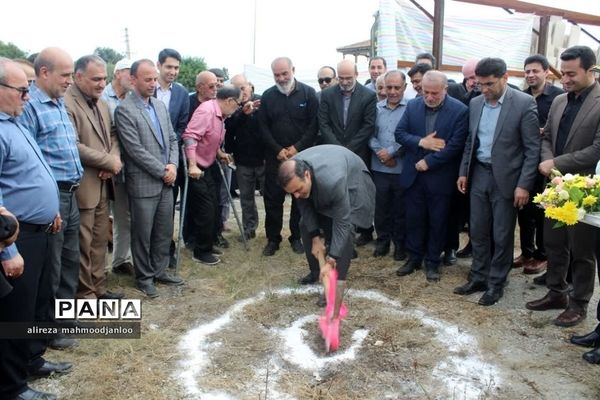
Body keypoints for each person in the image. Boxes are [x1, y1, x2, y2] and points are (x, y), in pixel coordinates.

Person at [0, 57, 62, 400]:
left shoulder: (16, 122)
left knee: (35, 303)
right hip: (15, 236)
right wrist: (7, 250)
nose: (28, 97)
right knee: (14, 314)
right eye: (22, 90)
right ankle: (11, 387)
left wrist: (49, 208)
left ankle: (30, 360)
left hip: (40, 229)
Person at [454, 57, 539, 306]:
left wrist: (523, 184)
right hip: (479, 174)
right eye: (480, 84)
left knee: (502, 235)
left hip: (508, 179)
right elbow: (471, 141)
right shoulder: (476, 102)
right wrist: (463, 171)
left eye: (489, 84)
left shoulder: (524, 103)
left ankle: (496, 282)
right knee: (478, 231)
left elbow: (532, 149)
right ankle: (478, 276)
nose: (484, 89)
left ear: (505, 78)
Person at [526, 46, 600, 328]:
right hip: (555, 185)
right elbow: (546, 135)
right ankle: (556, 293)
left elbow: (597, 149)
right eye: (563, 73)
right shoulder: (559, 101)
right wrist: (549, 163)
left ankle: (578, 303)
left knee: (581, 250)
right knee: (554, 243)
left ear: (590, 71)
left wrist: (557, 162)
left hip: (585, 189)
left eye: (572, 74)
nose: (565, 79)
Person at [18, 47, 83, 354]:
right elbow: (29, 159)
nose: (70, 80)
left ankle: (66, 319)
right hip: (51, 197)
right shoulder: (30, 107)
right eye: (66, 75)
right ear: (44, 73)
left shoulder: (58, 103)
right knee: (51, 268)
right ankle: (48, 330)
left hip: (71, 192)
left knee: (70, 260)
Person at [278, 145, 375, 317]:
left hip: (353, 183)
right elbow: (304, 206)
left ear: (306, 175)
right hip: (322, 181)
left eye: (298, 190)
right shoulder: (297, 176)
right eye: (292, 193)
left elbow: (342, 222)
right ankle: (317, 273)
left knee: (343, 234)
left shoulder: (334, 181)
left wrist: (331, 259)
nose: (296, 196)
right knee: (305, 226)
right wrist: (315, 237)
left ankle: (335, 286)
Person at [114, 59, 183, 298]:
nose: (154, 84)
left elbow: (173, 140)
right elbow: (134, 150)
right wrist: (164, 171)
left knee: (164, 230)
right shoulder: (124, 109)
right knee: (142, 233)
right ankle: (144, 277)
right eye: (148, 79)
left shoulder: (160, 106)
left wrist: (173, 164)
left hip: (166, 180)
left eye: (155, 79)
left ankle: (160, 270)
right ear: (133, 80)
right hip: (144, 182)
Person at [395, 71, 468, 281]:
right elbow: (399, 133)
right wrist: (421, 142)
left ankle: (433, 262)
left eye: (434, 93)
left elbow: (455, 145)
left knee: (438, 221)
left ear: (445, 89)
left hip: (440, 177)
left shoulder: (459, 111)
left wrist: (429, 162)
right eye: (425, 92)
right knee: (414, 219)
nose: (429, 97)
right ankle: (414, 258)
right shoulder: (413, 105)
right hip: (413, 176)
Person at [64, 55, 123, 299]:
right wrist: (108, 161)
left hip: (103, 183)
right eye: (96, 79)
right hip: (83, 186)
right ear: (78, 77)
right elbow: (72, 145)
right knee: (83, 244)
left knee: (99, 240)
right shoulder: (66, 103)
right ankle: (84, 294)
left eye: (104, 79)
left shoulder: (100, 103)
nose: (102, 84)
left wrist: (113, 160)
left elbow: (113, 134)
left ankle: (99, 287)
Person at [257, 57, 318, 257]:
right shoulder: (267, 96)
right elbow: (263, 127)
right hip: (275, 158)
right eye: (277, 75)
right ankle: (273, 239)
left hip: (301, 157)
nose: (282, 78)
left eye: (285, 73)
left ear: (293, 70)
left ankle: (297, 237)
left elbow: (313, 126)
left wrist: (296, 148)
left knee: (299, 199)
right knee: (272, 200)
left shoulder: (308, 94)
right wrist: (277, 150)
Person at [318, 59, 377, 247]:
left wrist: (348, 150)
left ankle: (357, 235)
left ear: (357, 75)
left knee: (357, 195)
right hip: (332, 154)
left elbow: (368, 126)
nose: (344, 81)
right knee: (335, 195)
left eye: (348, 77)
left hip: (358, 155)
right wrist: (337, 149)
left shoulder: (368, 96)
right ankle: (334, 237)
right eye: (341, 78)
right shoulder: (327, 95)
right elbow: (324, 124)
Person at [514, 54, 564, 275]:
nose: (530, 75)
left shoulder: (558, 97)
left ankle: (542, 255)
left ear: (546, 72)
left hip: (547, 163)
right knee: (523, 211)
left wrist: (546, 132)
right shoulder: (520, 97)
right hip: (525, 162)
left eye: (535, 71)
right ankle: (526, 251)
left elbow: (561, 130)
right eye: (527, 71)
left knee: (543, 211)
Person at [182, 85, 242, 264]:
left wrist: (220, 153)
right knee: (205, 209)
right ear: (230, 100)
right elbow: (190, 136)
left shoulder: (221, 115)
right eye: (237, 104)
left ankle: (207, 243)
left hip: (208, 164)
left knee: (215, 206)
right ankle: (200, 252)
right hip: (196, 165)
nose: (238, 107)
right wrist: (192, 165)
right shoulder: (207, 111)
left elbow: (211, 137)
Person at [155, 48, 190, 269]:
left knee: (168, 207)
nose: (173, 71)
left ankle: (168, 249)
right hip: (147, 157)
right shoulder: (147, 88)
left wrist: (169, 146)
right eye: (169, 66)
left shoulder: (181, 93)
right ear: (158, 65)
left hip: (171, 158)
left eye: (176, 67)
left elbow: (182, 126)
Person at [369, 70, 408, 260]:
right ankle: (382, 242)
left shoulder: (411, 108)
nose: (391, 91)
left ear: (404, 88)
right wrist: (382, 154)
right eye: (388, 87)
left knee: (400, 209)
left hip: (401, 169)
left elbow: (409, 136)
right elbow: (370, 134)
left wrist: (392, 152)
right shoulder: (376, 108)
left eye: (396, 87)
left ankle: (400, 245)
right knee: (381, 209)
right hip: (379, 168)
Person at [102, 58, 134, 275]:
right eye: (130, 73)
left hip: (125, 167)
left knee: (124, 216)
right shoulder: (101, 98)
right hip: (101, 167)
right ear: (117, 74)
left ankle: (121, 260)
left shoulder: (132, 98)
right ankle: (95, 271)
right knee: (98, 219)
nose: (133, 78)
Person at [225, 74, 264, 240]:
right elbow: (228, 129)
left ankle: (273, 231)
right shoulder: (232, 107)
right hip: (243, 160)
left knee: (270, 197)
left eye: (243, 88)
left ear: (250, 86)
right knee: (246, 198)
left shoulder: (263, 102)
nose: (241, 92)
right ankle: (249, 228)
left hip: (264, 159)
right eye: (237, 90)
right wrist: (243, 113)